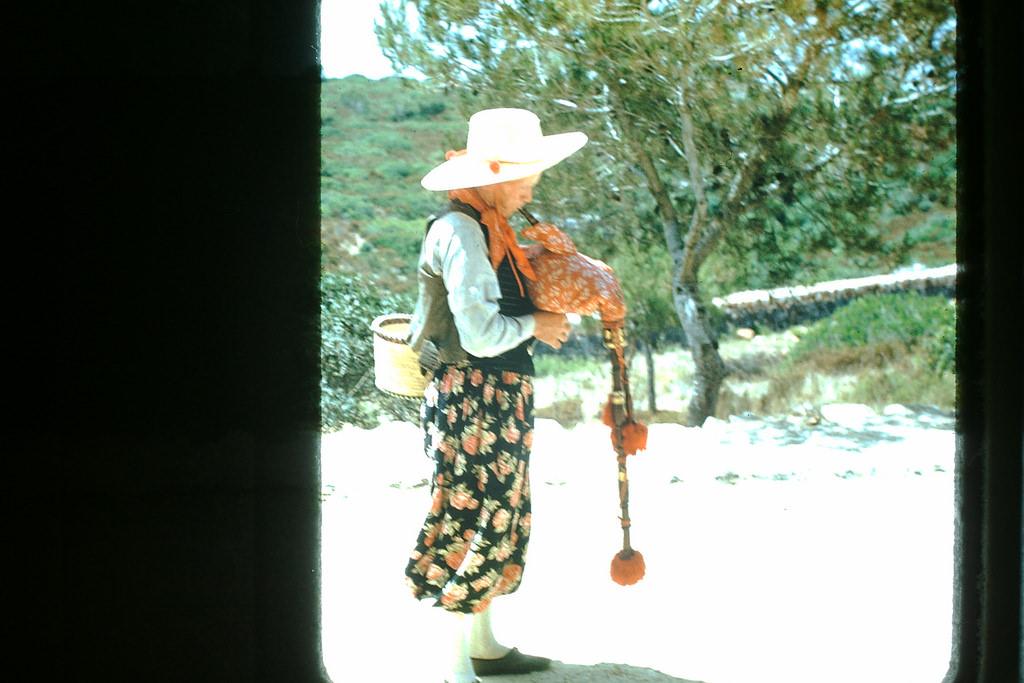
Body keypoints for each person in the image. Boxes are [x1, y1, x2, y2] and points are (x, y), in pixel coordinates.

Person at [404, 108, 587, 683]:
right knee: (469, 515)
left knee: (494, 515)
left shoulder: (487, 226)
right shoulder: (459, 231)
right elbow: (481, 335)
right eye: (525, 177)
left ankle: (482, 650)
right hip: (472, 396)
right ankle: (455, 667)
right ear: (490, 175)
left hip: (495, 395)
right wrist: (538, 323)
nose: (532, 188)